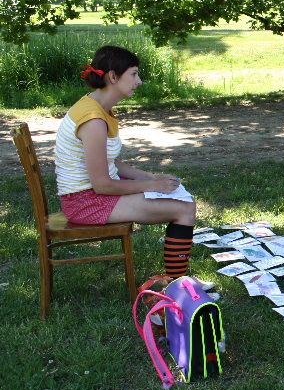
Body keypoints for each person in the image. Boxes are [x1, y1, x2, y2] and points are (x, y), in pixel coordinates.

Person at [55, 45, 197, 279]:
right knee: (185, 209)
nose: (138, 81)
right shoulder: (93, 120)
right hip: (86, 203)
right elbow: (102, 184)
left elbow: (113, 164)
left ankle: (176, 280)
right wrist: (152, 186)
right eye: (133, 74)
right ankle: (176, 283)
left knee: (181, 198)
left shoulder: (99, 109)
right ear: (113, 76)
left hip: (93, 196)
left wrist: (150, 177)